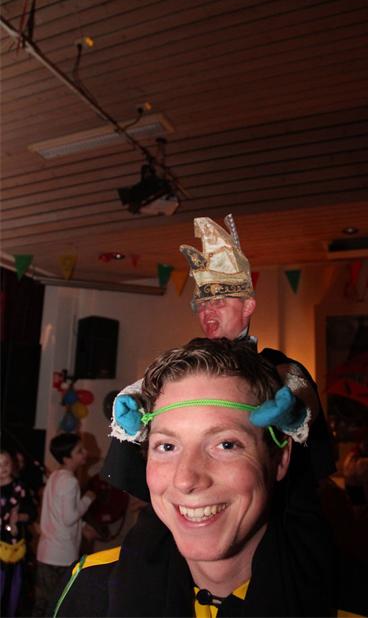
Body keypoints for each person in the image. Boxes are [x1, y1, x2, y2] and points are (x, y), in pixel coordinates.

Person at [52, 339, 368, 617]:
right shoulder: (89, 588)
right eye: (167, 446)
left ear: (280, 459)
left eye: (226, 444)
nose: (186, 479)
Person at [102, 214, 335, 503]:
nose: (208, 311)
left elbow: (299, 389)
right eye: (202, 304)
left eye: (220, 302)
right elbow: (144, 392)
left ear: (248, 306)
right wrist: (131, 406)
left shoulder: (277, 367)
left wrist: (293, 413)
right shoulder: (184, 365)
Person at [32, 434, 96, 617]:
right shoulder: (70, 481)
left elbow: (58, 514)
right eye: (79, 451)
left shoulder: (55, 476)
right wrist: (88, 499)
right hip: (61, 556)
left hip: (47, 552)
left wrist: (83, 525)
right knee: (57, 608)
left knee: (42, 606)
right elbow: (68, 517)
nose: (85, 453)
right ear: (67, 458)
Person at [0, 449, 37, 617]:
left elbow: (31, 511)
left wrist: (19, 516)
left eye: (6, 463)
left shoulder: (19, 487)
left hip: (14, 545)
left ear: (12, 464)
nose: (3, 468)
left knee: (13, 586)